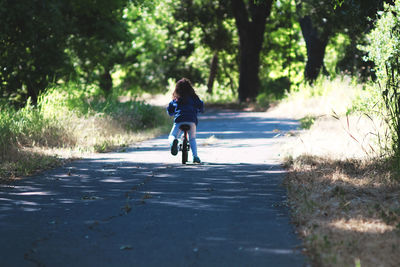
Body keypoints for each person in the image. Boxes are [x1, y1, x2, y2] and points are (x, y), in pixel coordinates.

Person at [167, 78, 204, 163]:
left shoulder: (176, 99)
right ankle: (195, 157)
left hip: (179, 119)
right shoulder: (194, 98)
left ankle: (173, 142)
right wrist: (200, 109)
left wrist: (171, 113)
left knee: (172, 135)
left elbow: (170, 110)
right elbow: (201, 104)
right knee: (192, 138)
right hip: (191, 120)